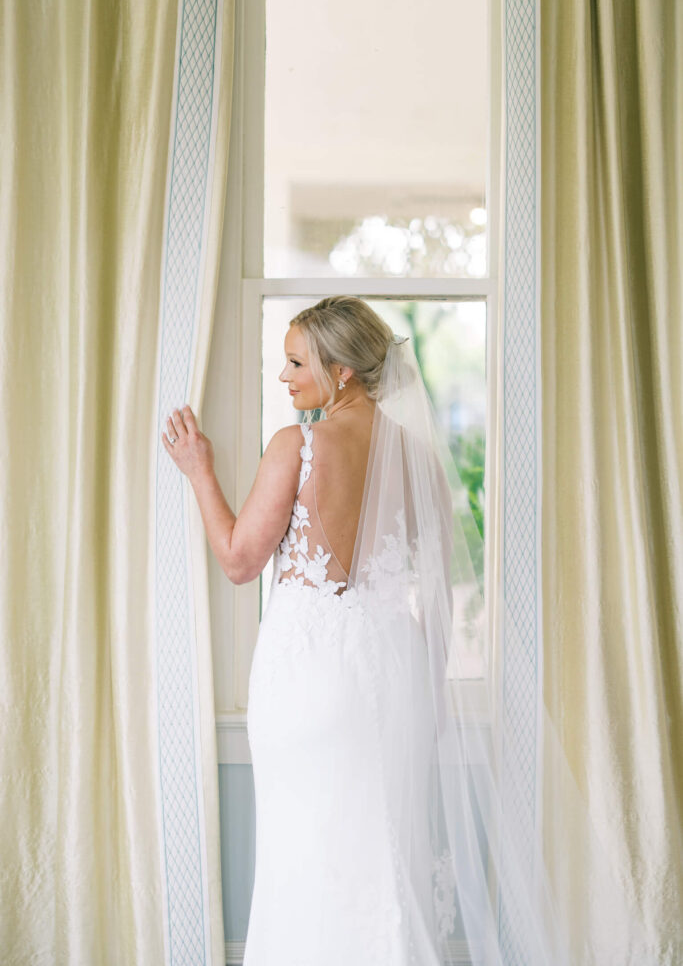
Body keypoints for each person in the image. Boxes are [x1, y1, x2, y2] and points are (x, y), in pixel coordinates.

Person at [162, 297, 646, 965]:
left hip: (309, 678)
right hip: (394, 677)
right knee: (383, 859)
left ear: (343, 374)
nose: (284, 377)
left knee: (304, 853)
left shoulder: (297, 445)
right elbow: (439, 592)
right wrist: (428, 688)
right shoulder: (414, 456)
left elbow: (240, 560)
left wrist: (200, 472)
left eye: (296, 362)